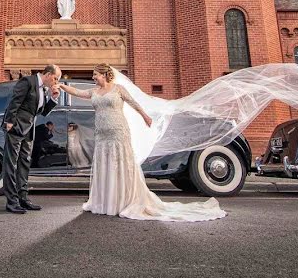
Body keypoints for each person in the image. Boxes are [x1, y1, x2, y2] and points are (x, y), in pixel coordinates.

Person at [57, 63, 226, 222]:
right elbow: (77, 92)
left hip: (118, 131)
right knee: (106, 165)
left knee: (120, 164)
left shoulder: (118, 89)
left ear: (104, 74)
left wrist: (145, 116)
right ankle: (106, 201)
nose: (93, 77)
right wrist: (62, 86)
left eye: (95, 75)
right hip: (102, 135)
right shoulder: (94, 92)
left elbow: (134, 103)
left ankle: (124, 200)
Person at [1, 64, 61, 214]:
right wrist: (9, 122)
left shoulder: (45, 90)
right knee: (11, 164)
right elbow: (15, 101)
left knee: (24, 163)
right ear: (47, 74)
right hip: (16, 126)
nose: (55, 82)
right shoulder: (28, 81)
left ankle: (23, 199)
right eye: (55, 78)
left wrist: (53, 99)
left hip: (29, 129)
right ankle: (12, 202)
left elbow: (42, 112)